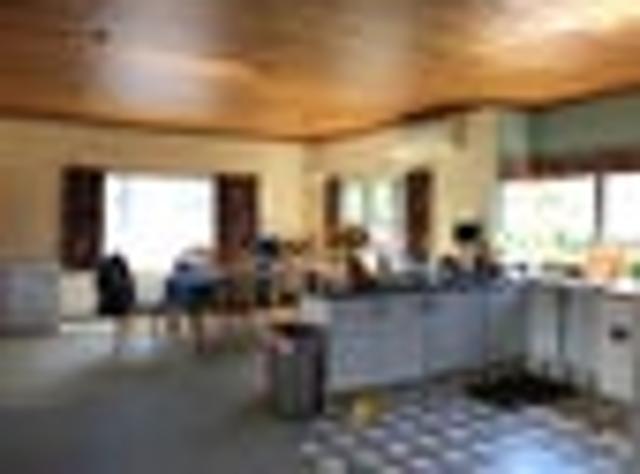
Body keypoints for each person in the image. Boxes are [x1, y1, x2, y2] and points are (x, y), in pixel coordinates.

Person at [95, 254, 136, 354]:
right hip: (121, 303)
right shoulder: (125, 275)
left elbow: (100, 287)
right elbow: (130, 291)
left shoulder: (106, 271)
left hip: (111, 303)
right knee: (122, 324)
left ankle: (117, 344)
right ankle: (121, 343)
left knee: (116, 324)